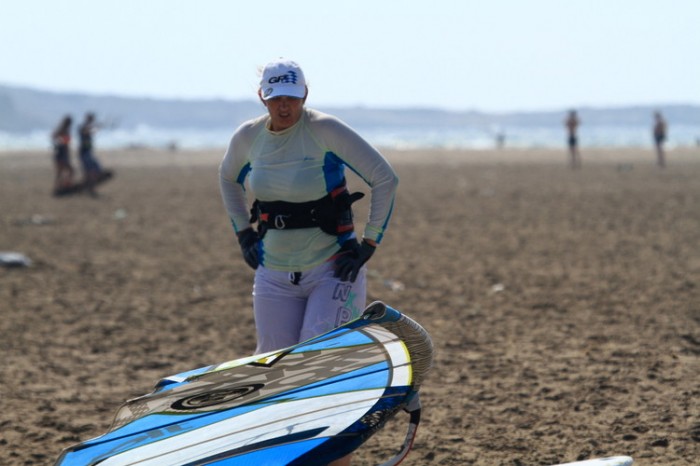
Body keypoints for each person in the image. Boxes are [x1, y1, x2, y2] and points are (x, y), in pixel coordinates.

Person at [219, 58, 399, 466]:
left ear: (305, 96)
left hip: (333, 270)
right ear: (262, 96)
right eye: (277, 97)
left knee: (318, 371)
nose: (285, 106)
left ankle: (336, 459)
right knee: (275, 373)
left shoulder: (324, 130)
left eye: (293, 98)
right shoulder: (248, 138)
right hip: (274, 275)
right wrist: (243, 234)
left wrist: (369, 244)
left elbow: (385, 178)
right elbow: (227, 179)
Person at [77, 112, 104, 196]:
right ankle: (89, 188)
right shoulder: (83, 127)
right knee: (90, 171)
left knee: (93, 170)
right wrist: (95, 127)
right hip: (84, 152)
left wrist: (96, 127)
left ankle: (89, 188)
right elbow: (86, 131)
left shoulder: (87, 127)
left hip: (87, 152)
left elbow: (91, 131)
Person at [51, 115, 75, 192]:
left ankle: (60, 186)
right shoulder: (62, 130)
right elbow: (55, 138)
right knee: (67, 171)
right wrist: (61, 141)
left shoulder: (63, 130)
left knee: (61, 172)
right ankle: (62, 186)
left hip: (61, 153)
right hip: (61, 154)